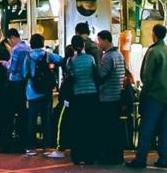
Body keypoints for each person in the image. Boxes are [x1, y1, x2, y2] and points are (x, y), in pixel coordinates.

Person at [128, 24, 167, 169]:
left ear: (154, 34)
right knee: (164, 130)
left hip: (154, 95)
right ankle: (163, 159)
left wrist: (146, 91)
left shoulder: (154, 52)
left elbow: (147, 76)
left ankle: (141, 158)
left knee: (147, 128)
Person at [23, 33, 63, 157]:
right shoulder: (47, 55)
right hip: (46, 92)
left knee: (32, 120)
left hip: (32, 92)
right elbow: (61, 60)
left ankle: (31, 147)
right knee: (46, 119)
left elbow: (25, 73)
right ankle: (46, 147)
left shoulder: (28, 57)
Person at [64, 35, 99, 164]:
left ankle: (77, 156)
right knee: (89, 126)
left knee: (77, 126)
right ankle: (89, 156)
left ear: (73, 47)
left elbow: (69, 79)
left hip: (77, 96)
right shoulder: (90, 59)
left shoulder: (70, 61)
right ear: (83, 46)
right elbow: (95, 75)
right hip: (91, 94)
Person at [95, 30, 126, 165]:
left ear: (106, 40)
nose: (98, 43)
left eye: (99, 41)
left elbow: (101, 75)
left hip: (107, 97)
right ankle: (117, 156)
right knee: (115, 128)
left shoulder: (107, 57)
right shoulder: (118, 54)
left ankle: (109, 156)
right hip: (117, 96)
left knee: (107, 129)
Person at [3, 28, 31, 154]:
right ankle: (23, 140)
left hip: (14, 83)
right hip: (24, 83)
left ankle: (8, 143)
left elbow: (12, 68)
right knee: (22, 112)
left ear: (12, 38)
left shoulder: (16, 49)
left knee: (9, 113)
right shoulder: (27, 47)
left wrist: (4, 63)